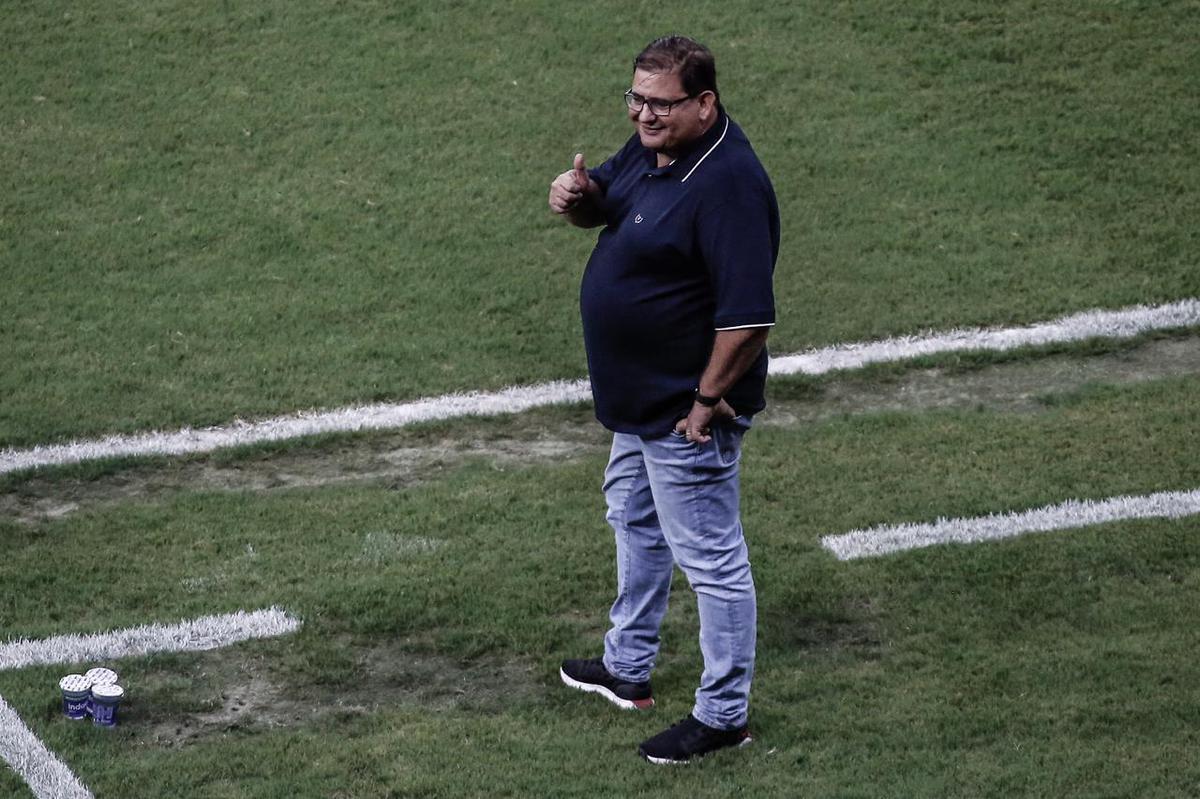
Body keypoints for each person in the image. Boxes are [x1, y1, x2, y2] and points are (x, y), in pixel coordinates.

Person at [548, 35, 780, 764]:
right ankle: (628, 665)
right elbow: (607, 205)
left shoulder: (730, 183)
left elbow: (748, 318)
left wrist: (708, 399)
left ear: (705, 103)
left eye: (661, 103)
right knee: (634, 520)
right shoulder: (658, 146)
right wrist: (579, 198)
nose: (644, 114)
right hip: (639, 405)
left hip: (686, 412)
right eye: (635, 99)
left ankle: (723, 713)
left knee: (711, 558)